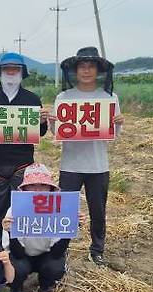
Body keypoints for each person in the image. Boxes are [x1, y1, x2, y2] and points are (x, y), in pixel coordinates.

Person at [46, 47, 125, 267]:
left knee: (98, 210)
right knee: (65, 209)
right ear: (75, 70)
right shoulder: (64, 97)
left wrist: (119, 123)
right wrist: (52, 121)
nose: (87, 71)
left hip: (98, 164)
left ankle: (97, 249)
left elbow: (113, 134)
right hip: (70, 164)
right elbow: (58, 132)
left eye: (91, 66)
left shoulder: (109, 97)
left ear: (99, 70)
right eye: (82, 66)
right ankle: (61, 249)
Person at [0, 52, 50, 242]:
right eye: (7, 69)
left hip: (22, 163)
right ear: (0, 73)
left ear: (22, 73)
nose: (11, 73)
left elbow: (41, 132)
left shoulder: (32, 100)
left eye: (16, 69)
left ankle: (21, 242)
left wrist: (42, 120)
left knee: (22, 207)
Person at [2, 163, 72, 292]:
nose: (37, 190)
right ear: (25, 189)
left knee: (54, 267)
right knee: (18, 268)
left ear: (50, 189)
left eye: (43, 186)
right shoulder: (13, 211)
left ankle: (45, 286)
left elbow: (57, 253)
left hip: (47, 254)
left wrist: (68, 231)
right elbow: (18, 254)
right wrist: (11, 232)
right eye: (32, 186)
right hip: (22, 255)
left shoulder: (58, 211)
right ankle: (16, 289)